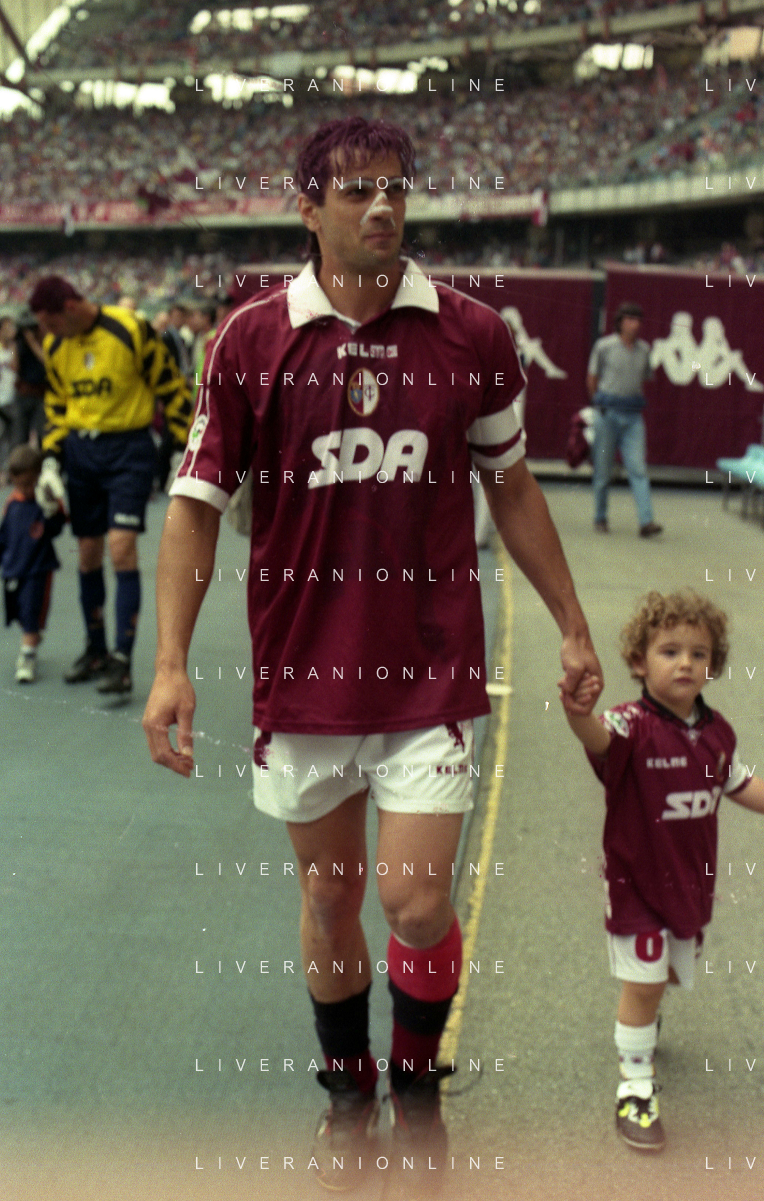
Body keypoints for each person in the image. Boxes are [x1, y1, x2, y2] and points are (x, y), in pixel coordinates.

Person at [142, 116, 602, 1196]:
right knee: (329, 898)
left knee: (415, 901)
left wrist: (572, 622)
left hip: (429, 669)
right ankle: (348, 1095)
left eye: (395, 187)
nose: (381, 206)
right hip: (302, 674)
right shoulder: (250, 340)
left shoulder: (472, 334)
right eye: (355, 191)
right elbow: (195, 505)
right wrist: (169, 661)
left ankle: (418, 1089)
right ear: (308, 208)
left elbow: (512, 484)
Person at [560, 590, 764, 1152]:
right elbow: (597, 738)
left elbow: (740, 783)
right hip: (636, 884)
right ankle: (635, 1089)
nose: (685, 663)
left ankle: (644, 1021)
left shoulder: (717, 732)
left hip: (690, 886)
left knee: (667, 978)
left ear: (713, 665)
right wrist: (578, 715)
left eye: (699, 654)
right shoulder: (629, 725)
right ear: (638, 661)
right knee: (645, 983)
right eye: (669, 651)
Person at [29, 274, 192, 695]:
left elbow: (172, 389)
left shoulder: (131, 329)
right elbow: (56, 404)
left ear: (69, 309)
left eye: (50, 324)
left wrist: (183, 447)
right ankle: (96, 649)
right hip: (82, 453)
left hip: (128, 450)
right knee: (87, 553)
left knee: (120, 547)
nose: (47, 334)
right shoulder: (56, 345)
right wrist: (51, 460)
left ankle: (122, 658)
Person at [586, 301, 662, 537]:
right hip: (607, 415)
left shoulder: (644, 350)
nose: (634, 324)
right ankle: (600, 516)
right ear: (619, 322)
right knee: (602, 469)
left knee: (638, 468)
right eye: (629, 319)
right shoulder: (604, 346)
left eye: (637, 320)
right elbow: (592, 377)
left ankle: (646, 521)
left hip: (633, 417)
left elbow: (645, 379)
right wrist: (599, 403)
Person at [0, 444, 66, 683]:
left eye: (29, 484)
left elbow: (57, 526)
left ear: (39, 477)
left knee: (30, 610)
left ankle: (27, 655)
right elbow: (4, 535)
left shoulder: (44, 502)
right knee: (18, 612)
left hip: (38, 568)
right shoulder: (12, 503)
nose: (24, 490)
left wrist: (51, 509)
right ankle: (32, 634)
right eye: (19, 485)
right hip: (13, 569)